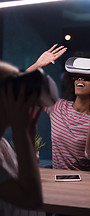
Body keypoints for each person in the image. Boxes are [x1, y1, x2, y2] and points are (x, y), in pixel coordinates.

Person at [27, 44, 90, 171]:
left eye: (87, 78)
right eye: (77, 76)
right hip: (62, 180)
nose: (80, 79)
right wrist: (38, 65)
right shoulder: (57, 107)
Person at [0, 61, 43, 215]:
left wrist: (29, 140)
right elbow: (31, 198)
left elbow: (20, 176)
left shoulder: (2, 144)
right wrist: (20, 129)